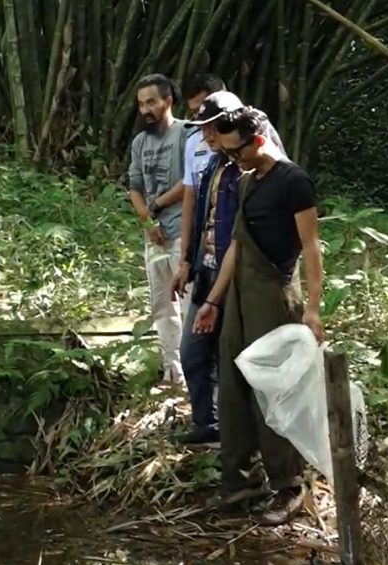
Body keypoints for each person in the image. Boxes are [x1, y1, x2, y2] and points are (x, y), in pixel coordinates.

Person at [192, 106, 325, 526]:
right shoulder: (246, 182)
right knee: (232, 387)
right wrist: (213, 302)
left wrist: (314, 308)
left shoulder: (294, 181)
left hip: (274, 295)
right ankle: (241, 480)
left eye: (236, 151)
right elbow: (236, 247)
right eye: (228, 154)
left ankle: (289, 487)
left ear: (259, 139)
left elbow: (311, 247)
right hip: (239, 298)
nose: (233, 160)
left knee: (274, 391)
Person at [169, 90, 288, 446]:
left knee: (233, 356)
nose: (206, 136)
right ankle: (208, 424)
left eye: (213, 128)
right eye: (203, 128)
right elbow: (201, 211)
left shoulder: (253, 169)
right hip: (205, 271)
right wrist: (186, 260)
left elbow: (243, 235)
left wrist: (218, 297)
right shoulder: (215, 164)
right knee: (192, 352)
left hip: (238, 277)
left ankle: (244, 436)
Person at [127, 73, 193, 386]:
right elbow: (135, 187)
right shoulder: (140, 142)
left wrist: (157, 207)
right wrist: (147, 221)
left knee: (190, 303)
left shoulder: (188, 134)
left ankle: (197, 370)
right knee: (161, 305)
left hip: (183, 230)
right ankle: (173, 370)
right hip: (154, 236)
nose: (145, 110)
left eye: (151, 102)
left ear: (168, 101)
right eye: (141, 104)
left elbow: (191, 182)